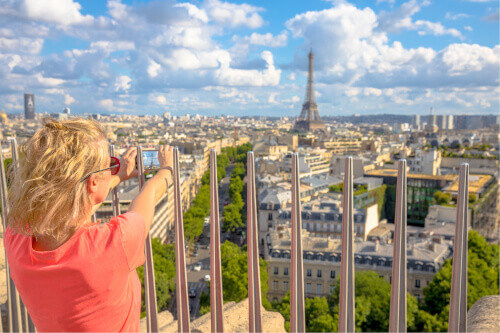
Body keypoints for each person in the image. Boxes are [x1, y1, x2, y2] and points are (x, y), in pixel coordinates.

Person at [3, 117, 173, 332]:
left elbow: (66, 203)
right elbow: (148, 197)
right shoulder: (111, 243)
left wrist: (116, 176)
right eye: (108, 164)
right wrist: (167, 169)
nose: (111, 168)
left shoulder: (15, 237)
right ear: (92, 182)